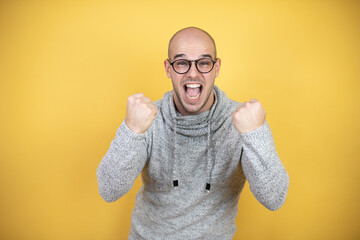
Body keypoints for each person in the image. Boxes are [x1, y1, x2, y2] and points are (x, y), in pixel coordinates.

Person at [97, 27, 289, 240]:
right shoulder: (146, 119)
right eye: (181, 63)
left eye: (204, 63)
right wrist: (131, 130)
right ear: (168, 69)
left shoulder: (244, 122)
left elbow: (274, 198)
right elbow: (109, 190)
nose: (193, 73)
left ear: (216, 68)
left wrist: (255, 134)